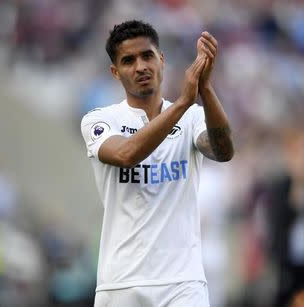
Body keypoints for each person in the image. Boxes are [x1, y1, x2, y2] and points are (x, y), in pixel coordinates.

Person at [80, 20, 234, 307]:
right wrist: (183, 102)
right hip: (121, 284)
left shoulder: (193, 118)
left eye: (147, 56)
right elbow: (126, 155)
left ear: (161, 60)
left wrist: (206, 89)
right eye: (128, 61)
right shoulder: (100, 120)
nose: (140, 67)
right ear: (115, 72)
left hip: (183, 283)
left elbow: (223, 151)